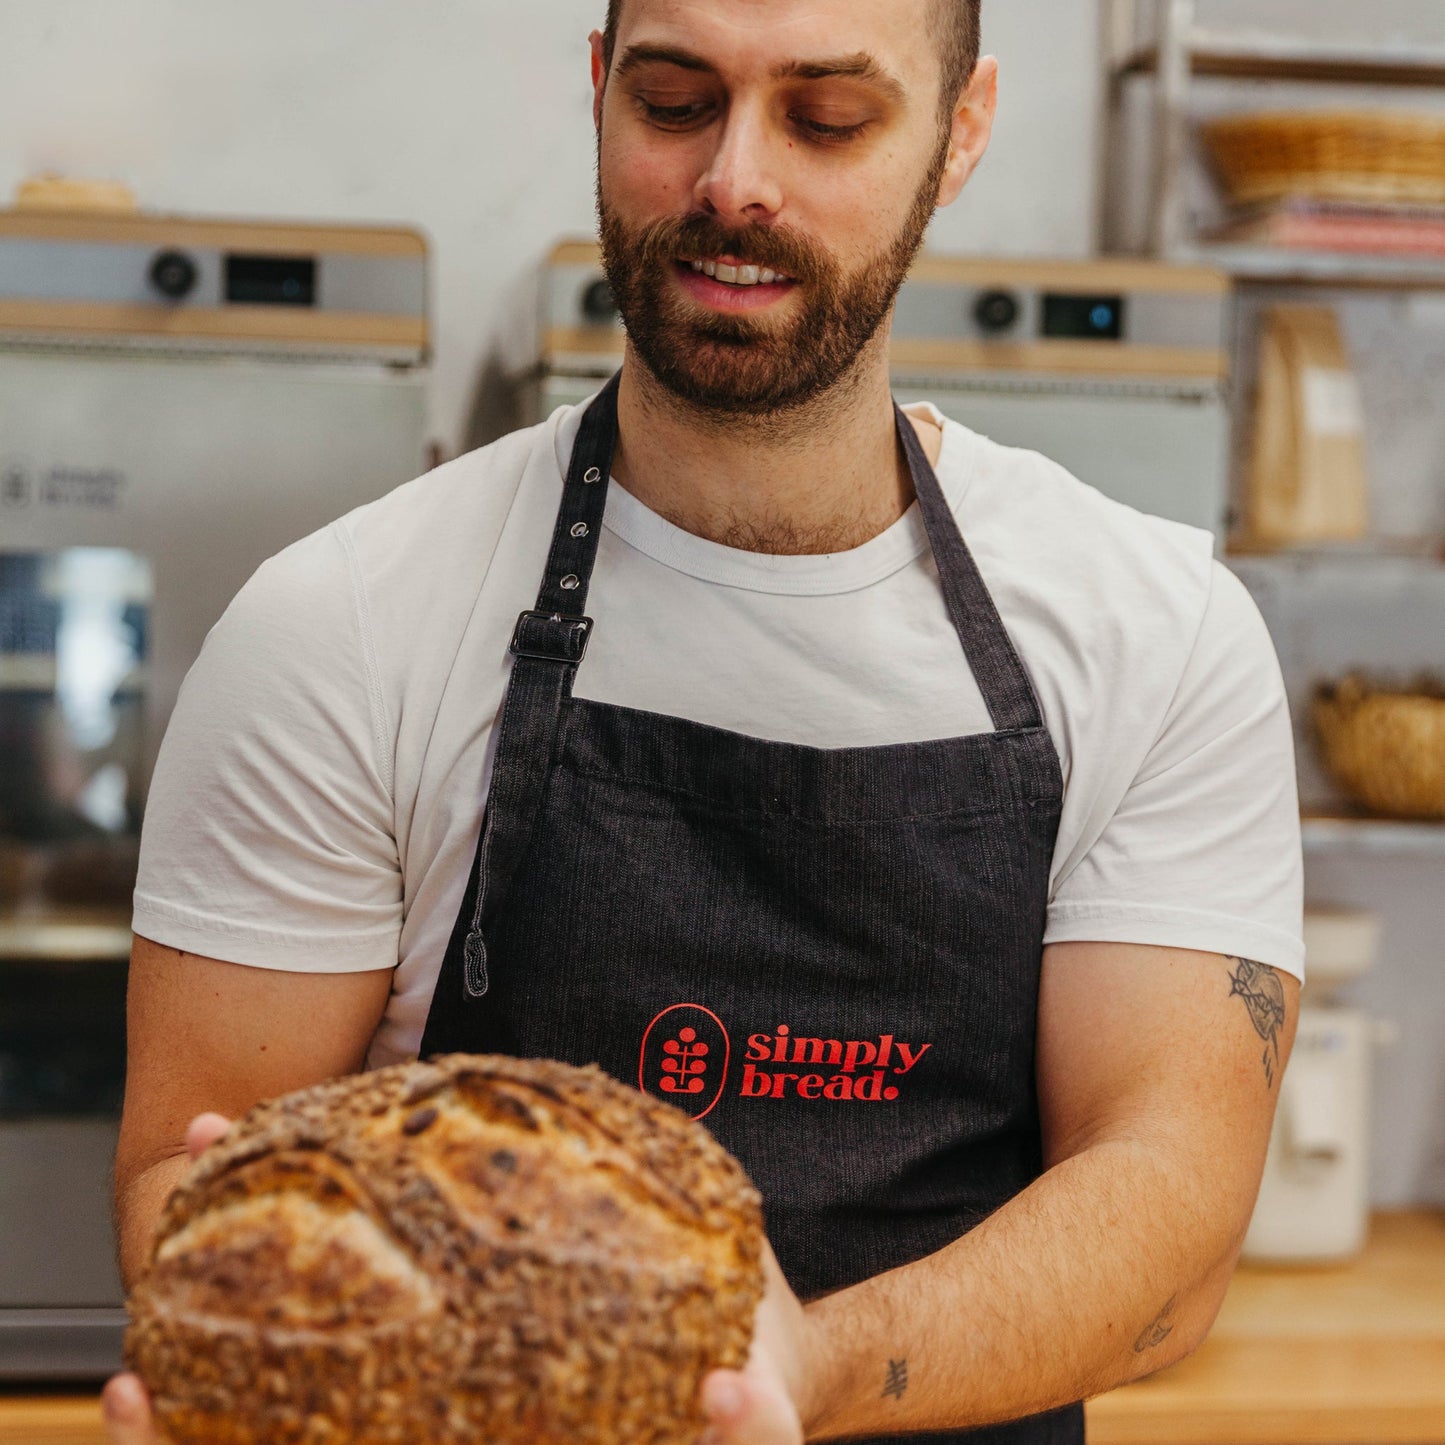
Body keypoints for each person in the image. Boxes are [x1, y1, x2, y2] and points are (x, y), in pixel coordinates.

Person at [103, 1, 1305, 1442]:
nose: (735, 179)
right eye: (675, 100)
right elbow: (191, 1185)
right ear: (600, 90)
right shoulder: (342, 628)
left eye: (826, 119)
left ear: (959, 129)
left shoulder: (1154, 631)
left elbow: (1167, 1216)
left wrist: (805, 1369)